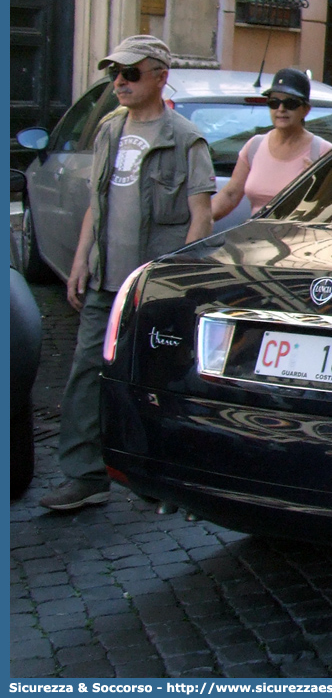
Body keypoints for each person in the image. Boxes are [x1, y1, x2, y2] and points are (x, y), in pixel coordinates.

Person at [40, 35, 216, 511]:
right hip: (103, 280)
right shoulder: (109, 130)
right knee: (84, 372)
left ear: (160, 75)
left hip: (150, 288)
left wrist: (174, 282)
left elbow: (202, 216)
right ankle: (84, 474)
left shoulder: (184, 138)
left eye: (131, 73)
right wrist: (80, 261)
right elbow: (96, 207)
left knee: (157, 381)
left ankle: (160, 475)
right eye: (115, 73)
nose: (119, 81)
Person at [211, 68, 332, 220]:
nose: (281, 109)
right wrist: (200, 221)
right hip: (256, 239)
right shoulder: (254, 146)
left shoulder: (323, 152)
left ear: (306, 110)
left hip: (299, 240)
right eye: (274, 102)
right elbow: (230, 195)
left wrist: (318, 188)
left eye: (290, 103)